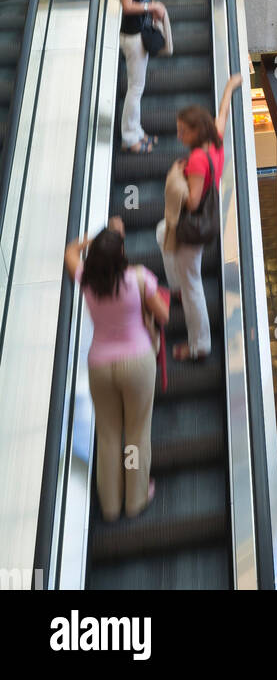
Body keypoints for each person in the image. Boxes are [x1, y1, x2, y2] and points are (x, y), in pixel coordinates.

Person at [64, 217, 169, 520]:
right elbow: (163, 315)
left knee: (108, 435)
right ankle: (135, 499)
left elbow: (70, 252)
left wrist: (94, 239)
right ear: (121, 254)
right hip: (137, 362)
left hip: (99, 364)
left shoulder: (85, 277)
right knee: (136, 433)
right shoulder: (138, 278)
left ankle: (110, 505)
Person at [156, 74, 242, 362]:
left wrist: (177, 177)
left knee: (194, 283)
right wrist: (230, 86)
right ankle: (177, 287)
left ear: (196, 131)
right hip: (208, 219)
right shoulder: (215, 140)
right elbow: (224, 113)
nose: (179, 136)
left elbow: (192, 203)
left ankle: (199, 346)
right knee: (160, 232)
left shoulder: (195, 160)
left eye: (183, 132)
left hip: (194, 227)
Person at [116, 0, 166, 154]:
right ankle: (129, 137)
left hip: (141, 32)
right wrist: (151, 6)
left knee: (138, 87)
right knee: (135, 88)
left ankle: (136, 131)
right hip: (131, 35)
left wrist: (152, 9)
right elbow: (127, 6)